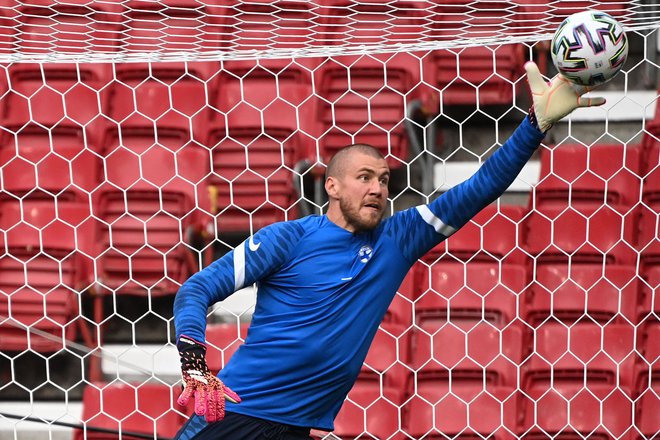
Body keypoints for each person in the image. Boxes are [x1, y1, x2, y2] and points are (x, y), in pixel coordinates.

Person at [172, 62, 605, 439]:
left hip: (297, 428)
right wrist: (194, 358)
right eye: (364, 177)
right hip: (235, 415)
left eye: (383, 179)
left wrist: (535, 126)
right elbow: (196, 288)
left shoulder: (399, 238)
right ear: (333, 186)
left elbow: (481, 188)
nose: (378, 188)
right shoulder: (289, 238)